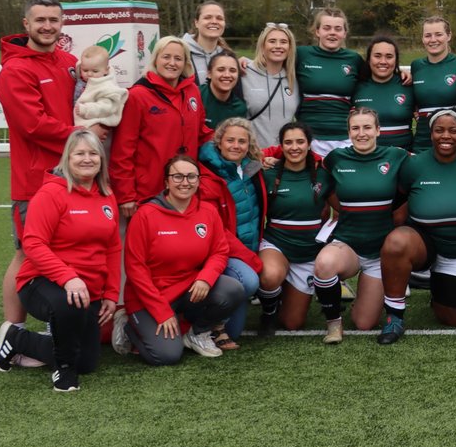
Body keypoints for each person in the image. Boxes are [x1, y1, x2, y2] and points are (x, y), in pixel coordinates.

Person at [0, 129, 120, 392]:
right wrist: (69, 277)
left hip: (89, 290)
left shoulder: (107, 195)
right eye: (80, 153)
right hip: (41, 282)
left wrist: (111, 292)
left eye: (93, 153)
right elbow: (33, 244)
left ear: (101, 159)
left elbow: (113, 247)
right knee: (68, 303)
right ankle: (64, 372)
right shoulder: (51, 194)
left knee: (87, 361)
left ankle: (17, 339)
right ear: (67, 158)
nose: (87, 159)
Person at [0, 0, 81, 332]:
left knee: (68, 252)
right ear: (26, 24)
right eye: (40, 20)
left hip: (75, 178)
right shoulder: (15, 69)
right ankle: (12, 332)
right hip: (34, 182)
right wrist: (83, 134)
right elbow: (32, 125)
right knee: (27, 254)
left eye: (53, 20)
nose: (47, 26)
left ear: (62, 24)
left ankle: (57, 323)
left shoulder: (70, 61)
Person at [377, 108, 456, 343]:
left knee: (454, 318)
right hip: (424, 244)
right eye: (439, 130)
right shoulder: (414, 165)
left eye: (453, 131)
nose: (446, 136)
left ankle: (440, 289)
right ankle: (394, 317)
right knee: (396, 242)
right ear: (430, 134)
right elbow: (398, 204)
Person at [122, 154, 246, 364]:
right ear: (166, 181)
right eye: (178, 177)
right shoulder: (145, 215)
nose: (185, 182)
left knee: (233, 289)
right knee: (167, 355)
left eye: (191, 177)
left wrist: (205, 278)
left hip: (188, 288)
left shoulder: (208, 211)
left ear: (198, 181)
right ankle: (130, 327)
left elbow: (219, 251)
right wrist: (161, 312)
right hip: (150, 295)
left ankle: (197, 332)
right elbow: (135, 268)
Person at [313, 107, 411, 343]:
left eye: (367, 127)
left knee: (364, 323)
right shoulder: (335, 158)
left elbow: (431, 162)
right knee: (324, 263)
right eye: (355, 128)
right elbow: (318, 189)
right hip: (348, 244)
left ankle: (364, 299)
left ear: (378, 130)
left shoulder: (396, 156)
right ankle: (333, 323)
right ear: (349, 132)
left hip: (381, 253)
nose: (362, 133)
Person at [111, 36, 208, 220]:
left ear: (186, 63)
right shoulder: (138, 96)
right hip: (149, 193)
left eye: (178, 59)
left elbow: (202, 133)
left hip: (185, 189)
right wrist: (126, 195)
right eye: (166, 57)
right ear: (155, 59)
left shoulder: (192, 92)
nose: (172, 63)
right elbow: (123, 150)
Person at [255, 121, 333, 333]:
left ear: (309, 144)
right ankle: (269, 311)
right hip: (277, 243)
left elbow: (341, 209)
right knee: (270, 276)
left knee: (292, 323)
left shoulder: (324, 173)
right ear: (281, 145)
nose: (294, 147)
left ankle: (285, 292)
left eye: (300, 141)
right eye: (288, 142)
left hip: (309, 251)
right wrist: (260, 159)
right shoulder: (268, 173)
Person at [196, 117, 267, 350]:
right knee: (249, 280)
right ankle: (206, 325)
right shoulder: (208, 177)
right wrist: (250, 258)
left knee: (235, 332)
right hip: (223, 251)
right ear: (219, 143)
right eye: (230, 140)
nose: (236, 146)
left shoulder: (249, 167)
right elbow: (217, 233)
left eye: (242, 141)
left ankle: (221, 322)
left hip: (245, 248)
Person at [295, 8, 363, 157]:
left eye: (338, 29)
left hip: (345, 138)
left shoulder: (354, 59)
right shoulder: (301, 54)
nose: (332, 32)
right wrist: (245, 62)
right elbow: (271, 64)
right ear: (317, 31)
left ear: (344, 33)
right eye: (327, 28)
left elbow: (377, 78)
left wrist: (401, 72)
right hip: (309, 139)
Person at [410, 16, 456, 152]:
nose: (433, 40)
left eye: (438, 34)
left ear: (449, 36)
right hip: (423, 142)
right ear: (422, 38)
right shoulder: (416, 66)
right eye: (428, 35)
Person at [241, 22, 300, 149]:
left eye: (283, 42)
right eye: (272, 41)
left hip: (283, 157)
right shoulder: (244, 73)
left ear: (290, 48)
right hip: (251, 157)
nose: (278, 46)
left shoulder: (295, 79)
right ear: (262, 46)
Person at [351, 34, 415, 150]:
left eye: (389, 56)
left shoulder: (408, 84)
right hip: (367, 158)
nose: (383, 61)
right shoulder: (355, 86)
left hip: (403, 158)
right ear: (369, 59)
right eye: (377, 56)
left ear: (396, 60)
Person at [73, 45, 127, 133]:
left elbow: (107, 107)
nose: (89, 74)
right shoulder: (82, 80)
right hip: (80, 127)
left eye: (95, 71)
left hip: (96, 126)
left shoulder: (106, 86)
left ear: (106, 70)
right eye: (85, 70)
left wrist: (86, 109)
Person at [199, 49, 248, 132]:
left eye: (232, 70)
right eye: (221, 70)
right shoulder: (195, 96)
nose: (227, 75)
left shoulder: (239, 108)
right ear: (209, 74)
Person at [181, 0, 230, 85]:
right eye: (208, 17)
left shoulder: (228, 57)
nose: (214, 22)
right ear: (196, 23)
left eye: (219, 18)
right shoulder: (180, 52)